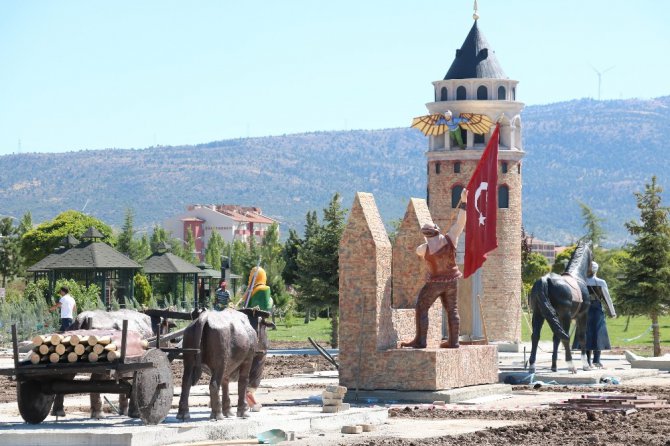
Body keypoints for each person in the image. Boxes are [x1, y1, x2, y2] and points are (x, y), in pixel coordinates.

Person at [401, 188, 468, 349]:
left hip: (435, 282)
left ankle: (421, 340)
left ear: (426, 234)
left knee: (422, 307)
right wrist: (464, 201)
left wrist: (430, 242)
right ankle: (454, 341)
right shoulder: (450, 238)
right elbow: (460, 222)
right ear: (437, 229)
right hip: (452, 280)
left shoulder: (424, 248)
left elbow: (418, 250)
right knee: (452, 309)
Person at [573, 261, 616, 368]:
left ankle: (587, 361)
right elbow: (607, 299)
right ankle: (597, 360)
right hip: (596, 310)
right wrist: (612, 312)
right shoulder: (601, 282)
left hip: (583, 311)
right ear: (596, 270)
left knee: (586, 335)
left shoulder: (580, 282)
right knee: (598, 335)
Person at [244, 266, 273, 411]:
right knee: (259, 357)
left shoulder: (248, 292)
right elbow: (267, 307)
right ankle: (249, 394)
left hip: (243, 324)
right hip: (256, 329)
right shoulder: (264, 290)